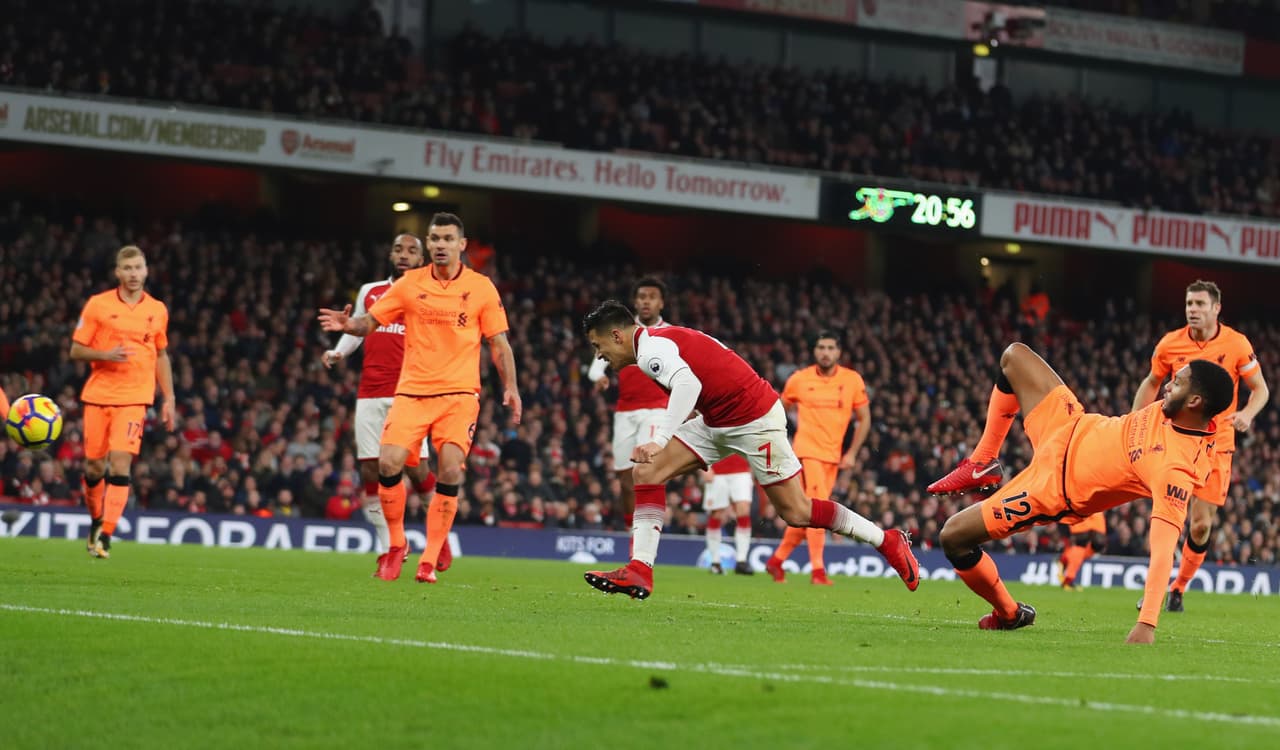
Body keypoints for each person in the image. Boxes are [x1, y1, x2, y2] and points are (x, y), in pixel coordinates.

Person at [580, 300, 918, 600]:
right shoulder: (657, 341)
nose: (599, 356)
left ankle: (887, 540)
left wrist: (660, 439)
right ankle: (640, 569)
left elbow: (687, 383)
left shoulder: (650, 352)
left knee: (797, 512)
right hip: (717, 421)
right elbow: (707, 371)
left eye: (598, 346)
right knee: (647, 471)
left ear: (617, 336)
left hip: (754, 420)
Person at [935, 342, 1234, 643]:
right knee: (1015, 357)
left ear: (1194, 401)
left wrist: (1147, 623)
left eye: (1177, 383)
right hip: (1069, 424)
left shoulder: (1176, 469)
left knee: (953, 537)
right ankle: (982, 462)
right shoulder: (1177, 412)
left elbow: (1163, 549)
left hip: (1052, 487)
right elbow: (1157, 388)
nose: (1168, 386)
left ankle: (1009, 614)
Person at [318, 213, 521, 583]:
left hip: (459, 394)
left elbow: (499, 343)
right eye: (435, 239)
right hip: (412, 392)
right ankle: (397, 544)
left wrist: (511, 387)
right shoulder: (410, 283)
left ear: (461, 244)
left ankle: (428, 560)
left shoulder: (481, 287)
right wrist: (349, 325)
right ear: (429, 245)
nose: (441, 245)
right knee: (388, 463)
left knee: (449, 468)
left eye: (448, 239)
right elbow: (371, 322)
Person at [1132, 280, 1268, 612]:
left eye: (1199, 304)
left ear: (1216, 308)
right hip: (1175, 443)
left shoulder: (1236, 344)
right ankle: (1155, 591)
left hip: (1217, 445)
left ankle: (1178, 587)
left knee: (1201, 524)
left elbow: (1260, 389)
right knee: (1168, 517)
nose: (1192, 309)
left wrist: (1247, 414)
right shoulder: (1170, 344)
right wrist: (1134, 422)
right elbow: (1152, 381)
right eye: (1189, 303)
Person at [322, 233, 437, 553]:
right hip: (370, 392)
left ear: (421, 260)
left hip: (410, 394)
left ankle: (437, 537)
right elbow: (358, 329)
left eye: (411, 251)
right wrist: (339, 351)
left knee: (417, 469)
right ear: (391, 255)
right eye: (398, 249)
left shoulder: (430, 294)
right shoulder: (370, 291)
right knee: (370, 469)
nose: (404, 255)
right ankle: (390, 547)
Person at [70, 245, 175, 558]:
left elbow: (161, 355)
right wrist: (105, 354)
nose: (133, 274)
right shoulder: (98, 305)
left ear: (146, 271)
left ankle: (106, 535)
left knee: (120, 461)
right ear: (118, 272)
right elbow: (76, 350)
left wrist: (169, 397)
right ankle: (96, 519)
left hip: (135, 398)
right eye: (127, 268)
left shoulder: (157, 309)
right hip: (98, 395)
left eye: (138, 267)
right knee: (93, 466)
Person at [765, 331, 870, 586]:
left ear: (839, 352)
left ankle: (777, 561)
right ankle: (818, 571)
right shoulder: (799, 379)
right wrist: (779, 443)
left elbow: (864, 418)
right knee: (818, 510)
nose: (825, 352)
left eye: (831, 348)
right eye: (821, 347)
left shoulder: (852, 380)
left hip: (832, 457)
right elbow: (778, 411)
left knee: (805, 513)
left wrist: (852, 452)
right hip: (807, 453)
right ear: (814, 351)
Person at [586, 277, 669, 535]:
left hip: (657, 409)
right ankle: (632, 533)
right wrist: (598, 377)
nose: (646, 301)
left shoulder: (669, 333)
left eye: (652, 297)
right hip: (624, 412)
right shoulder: (620, 332)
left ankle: (647, 536)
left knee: (645, 469)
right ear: (635, 302)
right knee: (624, 480)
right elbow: (595, 367)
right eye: (642, 297)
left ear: (661, 303)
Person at [701, 454, 754, 575]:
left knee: (743, 511)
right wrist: (704, 468)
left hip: (741, 470)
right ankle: (715, 562)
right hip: (716, 471)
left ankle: (741, 561)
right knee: (716, 514)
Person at [1058, 514, 1106, 590]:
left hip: (1090, 517)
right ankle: (1068, 580)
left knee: (1092, 546)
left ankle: (1064, 560)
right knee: (1081, 548)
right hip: (1084, 518)